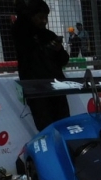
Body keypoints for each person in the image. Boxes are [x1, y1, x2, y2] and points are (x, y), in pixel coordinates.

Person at [12, 0, 70, 131]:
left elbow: (64, 60)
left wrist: (58, 50)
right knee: (46, 127)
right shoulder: (22, 33)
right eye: (40, 17)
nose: (44, 21)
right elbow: (21, 17)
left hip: (56, 87)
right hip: (36, 89)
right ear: (30, 16)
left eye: (46, 17)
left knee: (64, 124)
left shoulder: (49, 35)